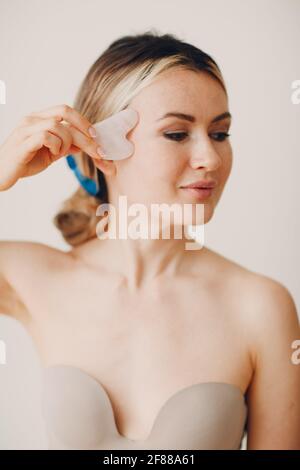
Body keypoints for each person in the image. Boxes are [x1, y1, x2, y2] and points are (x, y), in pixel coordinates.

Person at [0, 31, 299, 450]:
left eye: (220, 134)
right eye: (177, 134)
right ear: (102, 147)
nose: (209, 159)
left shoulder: (261, 307)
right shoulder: (33, 278)